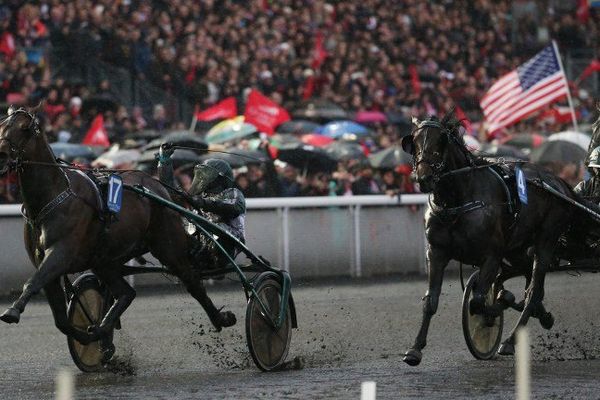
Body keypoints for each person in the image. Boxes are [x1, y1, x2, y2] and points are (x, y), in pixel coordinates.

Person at [157, 143, 246, 269]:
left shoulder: (233, 193)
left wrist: (199, 202)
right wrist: (164, 162)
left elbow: (234, 208)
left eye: (206, 174)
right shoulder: (200, 196)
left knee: (209, 224)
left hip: (229, 243)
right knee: (181, 224)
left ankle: (204, 255)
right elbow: (171, 194)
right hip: (204, 240)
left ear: (219, 178)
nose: (201, 178)